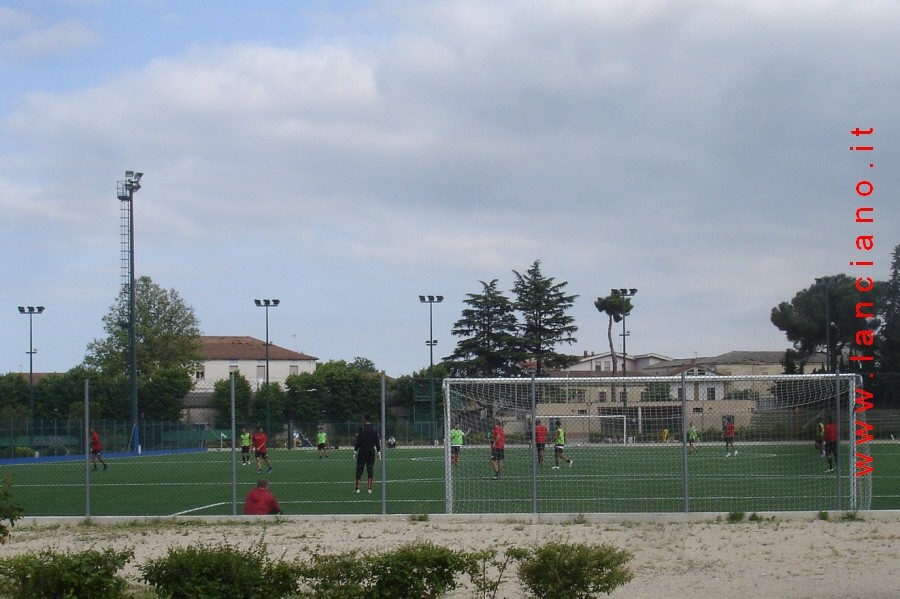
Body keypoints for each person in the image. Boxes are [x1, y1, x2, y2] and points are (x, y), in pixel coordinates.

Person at [353, 414, 381, 494]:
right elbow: (377, 441)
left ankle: (357, 489)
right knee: (370, 469)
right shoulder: (374, 428)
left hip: (362, 451)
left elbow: (358, 441)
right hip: (371, 451)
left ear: (364, 419)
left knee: (359, 469)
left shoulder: (361, 428)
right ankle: (369, 489)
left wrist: (355, 451)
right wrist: (379, 451)